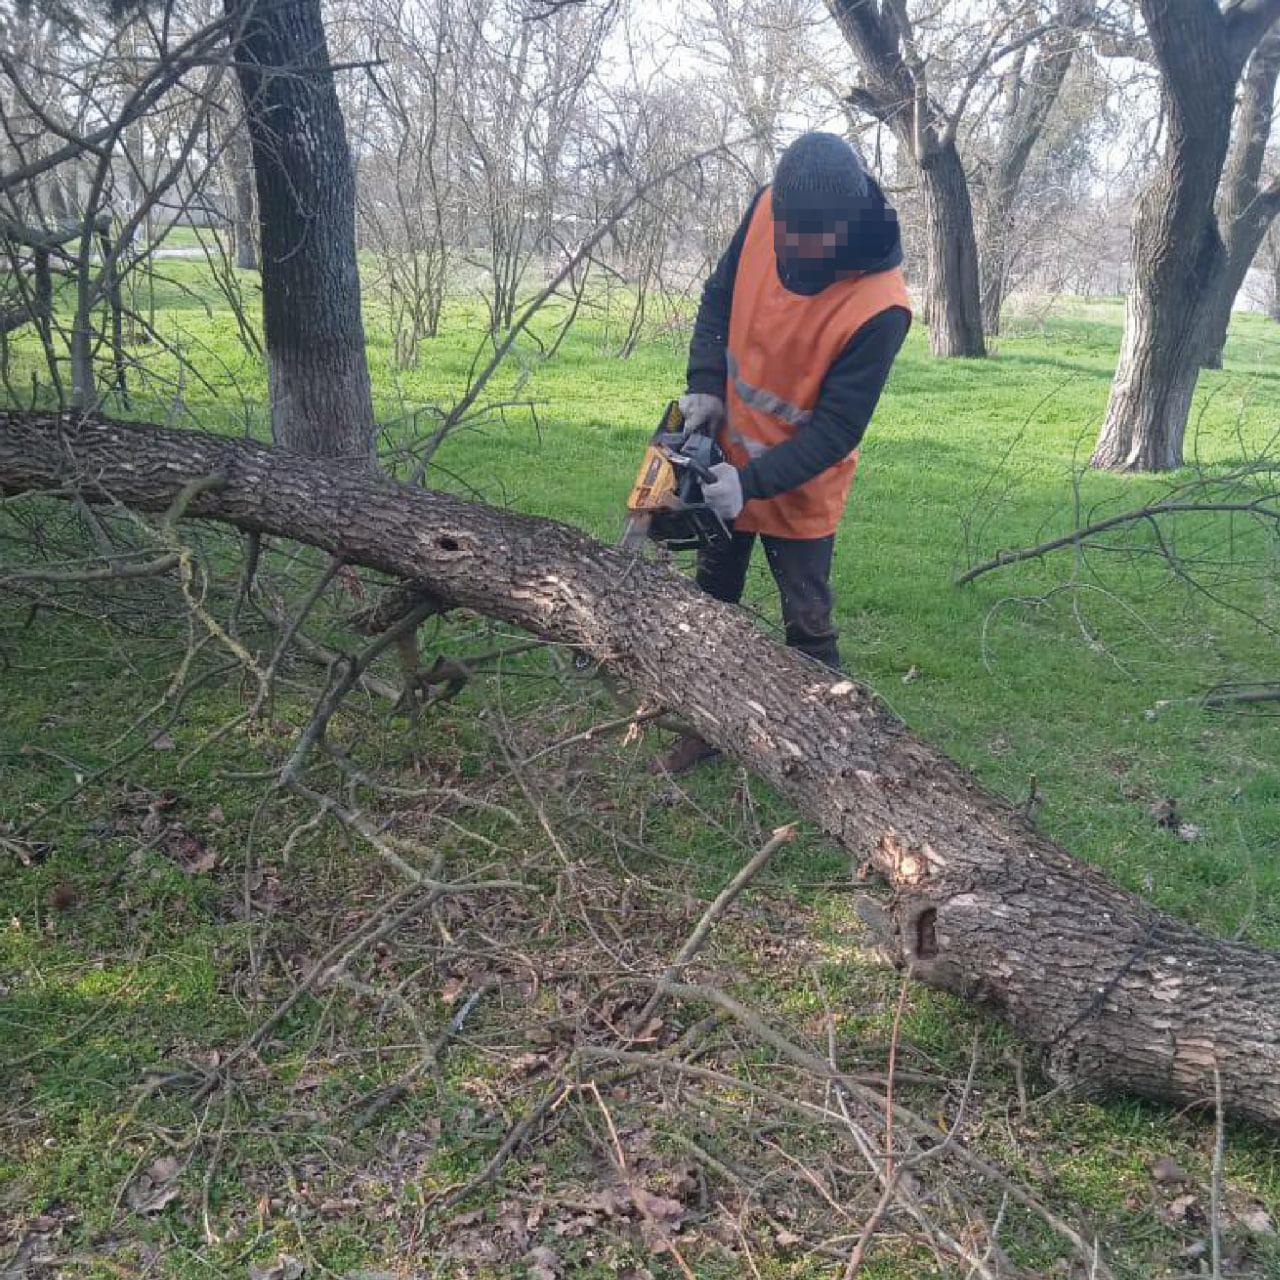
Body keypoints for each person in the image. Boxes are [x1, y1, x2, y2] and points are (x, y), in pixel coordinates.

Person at [656, 131, 912, 775]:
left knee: (808, 624)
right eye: (788, 230)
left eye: (810, 237)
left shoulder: (881, 307)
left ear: (846, 226)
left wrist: (752, 485)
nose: (792, 247)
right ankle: (706, 723)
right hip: (726, 454)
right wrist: (704, 388)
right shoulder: (768, 207)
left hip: (803, 483)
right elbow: (718, 299)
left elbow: (836, 431)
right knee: (713, 601)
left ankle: (835, 754)